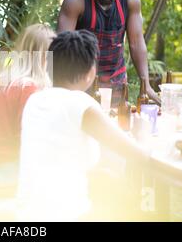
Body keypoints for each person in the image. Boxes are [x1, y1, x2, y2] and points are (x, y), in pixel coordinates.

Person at [16, 30, 149, 221]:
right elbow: (136, 154)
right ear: (90, 72)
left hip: (27, 214)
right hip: (67, 215)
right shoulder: (81, 104)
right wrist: (142, 134)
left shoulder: (35, 100)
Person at [57, 0, 159, 106]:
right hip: (81, 83)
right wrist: (64, 89)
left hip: (116, 82)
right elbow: (62, 48)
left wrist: (147, 86)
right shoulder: (76, 1)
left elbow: (136, 43)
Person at [0, 24, 56, 199]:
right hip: (4, 168)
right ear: (42, 56)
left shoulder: (4, 80)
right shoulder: (28, 87)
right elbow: (28, 138)